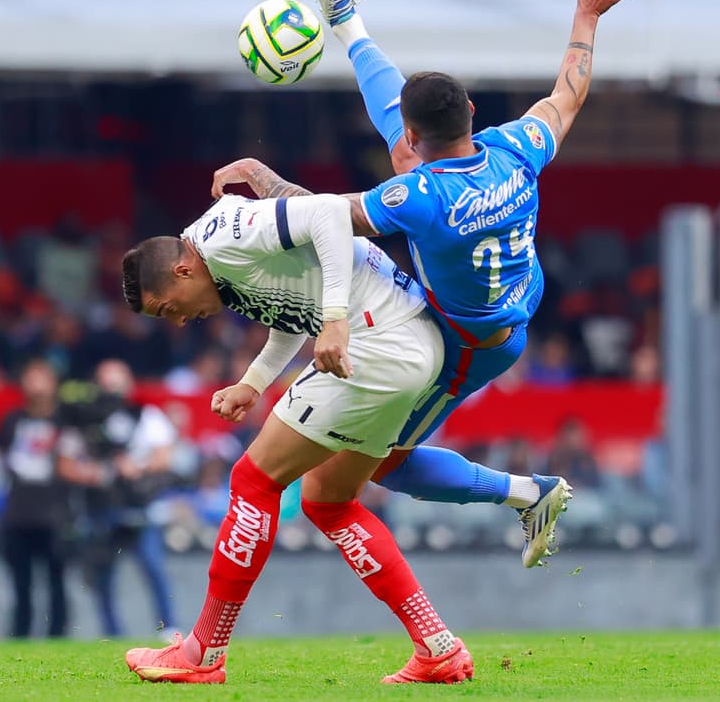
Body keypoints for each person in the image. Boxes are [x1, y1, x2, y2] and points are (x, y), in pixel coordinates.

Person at [208, 0, 633, 565]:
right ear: (472, 114)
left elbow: (322, 217)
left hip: (471, 342)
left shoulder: (419, 198)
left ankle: (529, 493)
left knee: (388, 465)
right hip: (515, 290)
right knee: (408, 170)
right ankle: (348, 24)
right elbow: (567, 93)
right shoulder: (516, 146)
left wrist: (262, 177)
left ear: (414, 132)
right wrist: (586, 15)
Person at [120, 192, 473, 684]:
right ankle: (437, 648)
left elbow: (330, 212)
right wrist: (253, 383)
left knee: (253, 481)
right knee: (330, 503)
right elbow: (291, 313)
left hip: (376, 341)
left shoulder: (224, 238)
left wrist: (335, 319)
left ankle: (203, 653)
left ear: (182, 271)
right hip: (407, 344)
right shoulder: (222, 268)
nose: (178, 321)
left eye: (167, 309)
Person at [57, 360, 178, 638]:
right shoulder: (84, 419)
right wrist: (97, 472)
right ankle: (112, 633)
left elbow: (164, 455)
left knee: (153, 567)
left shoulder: (144, 415)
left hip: (140, 507)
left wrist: (136, 467)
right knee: (103, 575)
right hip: (103, 506)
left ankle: (169, 628)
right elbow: (66, 464)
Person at [0, 359, 69, 638]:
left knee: (56, 580)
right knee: (20, 582)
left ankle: (58, 634)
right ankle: (20, 633)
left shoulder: (65, 420)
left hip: (55, 512)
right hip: (18, 512)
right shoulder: (12, 420)